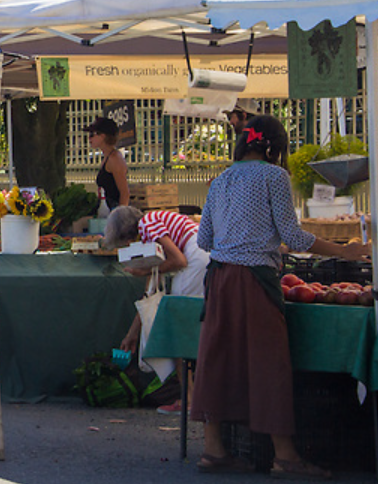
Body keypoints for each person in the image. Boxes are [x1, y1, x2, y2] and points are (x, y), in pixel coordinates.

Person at [190, 114, 369, 478]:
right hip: (255, 280)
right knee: (268, 363)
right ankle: (285, 456)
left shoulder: (221, 180)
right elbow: (294, 235)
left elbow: (204, 240)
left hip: (219, 279)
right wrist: (345, 251)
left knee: (217, 361)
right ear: (275, 146)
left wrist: (239, 238)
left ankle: (213, 450)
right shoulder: (274, 176)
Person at [105, 205, 209, 413]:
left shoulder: (147, 224)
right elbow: (150, 292)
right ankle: (196, 396)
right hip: (204, 259)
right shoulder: (154, 225)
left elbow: (178, 261)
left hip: (195, 262)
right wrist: (132, 333)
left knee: (178, 329)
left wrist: (143, 271)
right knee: (192, 328)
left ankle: (188, 399)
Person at [84, 116, 129, 209]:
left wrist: (119, 215)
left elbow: (124, 193)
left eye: (92, 135)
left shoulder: (114, 159)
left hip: (114, 210)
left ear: (103, 136)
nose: (89, 139)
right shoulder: (108, 157)